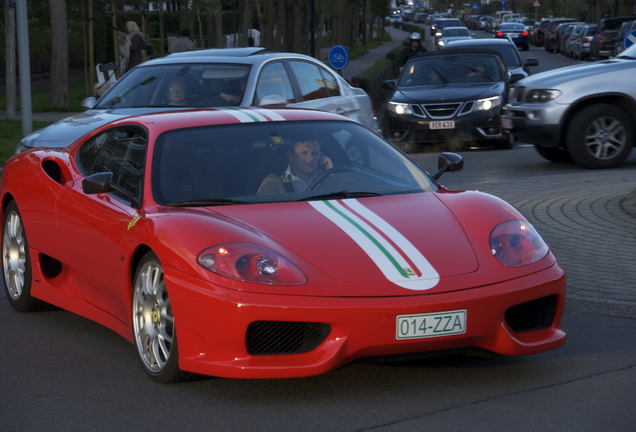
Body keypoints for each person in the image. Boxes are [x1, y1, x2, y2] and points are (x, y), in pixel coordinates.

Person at [257, 138, 333, 194]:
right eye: (304, 153)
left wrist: (332, 174)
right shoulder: (274, 183)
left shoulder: (328, 179)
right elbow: (262, 212)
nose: (311, 158)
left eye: (315, 153)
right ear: (290, 156)